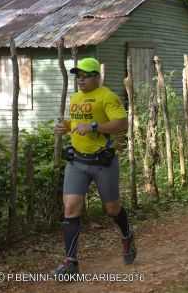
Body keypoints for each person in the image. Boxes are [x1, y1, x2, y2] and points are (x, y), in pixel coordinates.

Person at [53, 57, 136, 275]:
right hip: (77, 161)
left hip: (102, 162)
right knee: (70, 207)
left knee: (112, 209)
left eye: (85, 76)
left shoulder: (107, 97)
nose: (80, 80)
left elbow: (121, 124)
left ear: (96, 77)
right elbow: (77, 125)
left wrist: (93, 126)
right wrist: (67, 127)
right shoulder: (76, 98)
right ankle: (71, 262)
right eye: (78, 76)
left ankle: (127, 235)